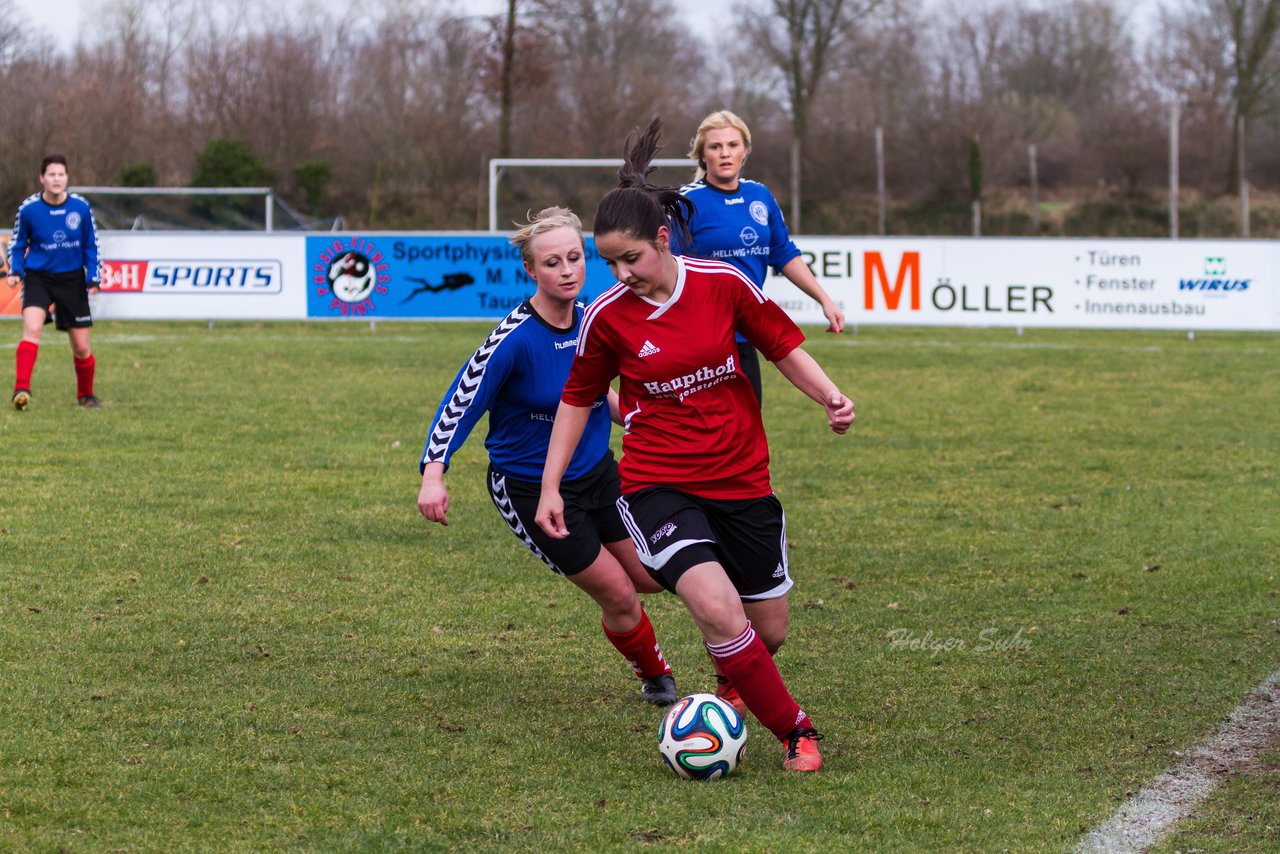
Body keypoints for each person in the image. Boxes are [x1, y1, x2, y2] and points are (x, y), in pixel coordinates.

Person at [535, 119, 855, 772]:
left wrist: (829, 395)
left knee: (768, 630)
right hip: (659, 485)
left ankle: (734, 684)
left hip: (742, 479)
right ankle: (796, 730)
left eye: (631, 258)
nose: (620, 274)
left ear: (662, 238)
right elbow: (577, 399)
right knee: (715, 606)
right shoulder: (607, 318)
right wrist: (549, 487)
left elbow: (783, 345)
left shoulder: (723, 285)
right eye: (609, 263)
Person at [417, 206, 677, 706]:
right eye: (552, 262)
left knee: (651, 575)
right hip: (531, 489)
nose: (566, 271)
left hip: (600, 473)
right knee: (618, 593)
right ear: (530, 271)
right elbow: (460, 403)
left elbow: (594, 394)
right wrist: (434, 474)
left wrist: (645, 418)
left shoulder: (594, 320)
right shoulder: (512, 339)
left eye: (574, 259)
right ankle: (655, 674)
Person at [675, 109, 845, 404]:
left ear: (746, 151)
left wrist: (824, 299)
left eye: (733, 145)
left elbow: (783, 254)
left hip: (746, 336)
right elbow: (665, 268)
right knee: (703, 436)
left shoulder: (760, 196)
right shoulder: (686, 202)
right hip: (700, 339)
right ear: (702, 155)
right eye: (715, 147)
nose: (725, 153)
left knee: (747, 431)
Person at [6, 153, 103, 410]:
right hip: (39, 278)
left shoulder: (81, 208)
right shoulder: (28, 210)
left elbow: (91, 246)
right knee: (33, 330)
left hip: (72, 279)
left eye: (61, 174)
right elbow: (17, 245)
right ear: (42, 178)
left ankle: (86, 396)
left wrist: (93, 276)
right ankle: (21, 390)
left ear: (67, 177)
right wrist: (16, 270)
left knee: (82, 347)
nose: (57, 179)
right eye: (51, 174)